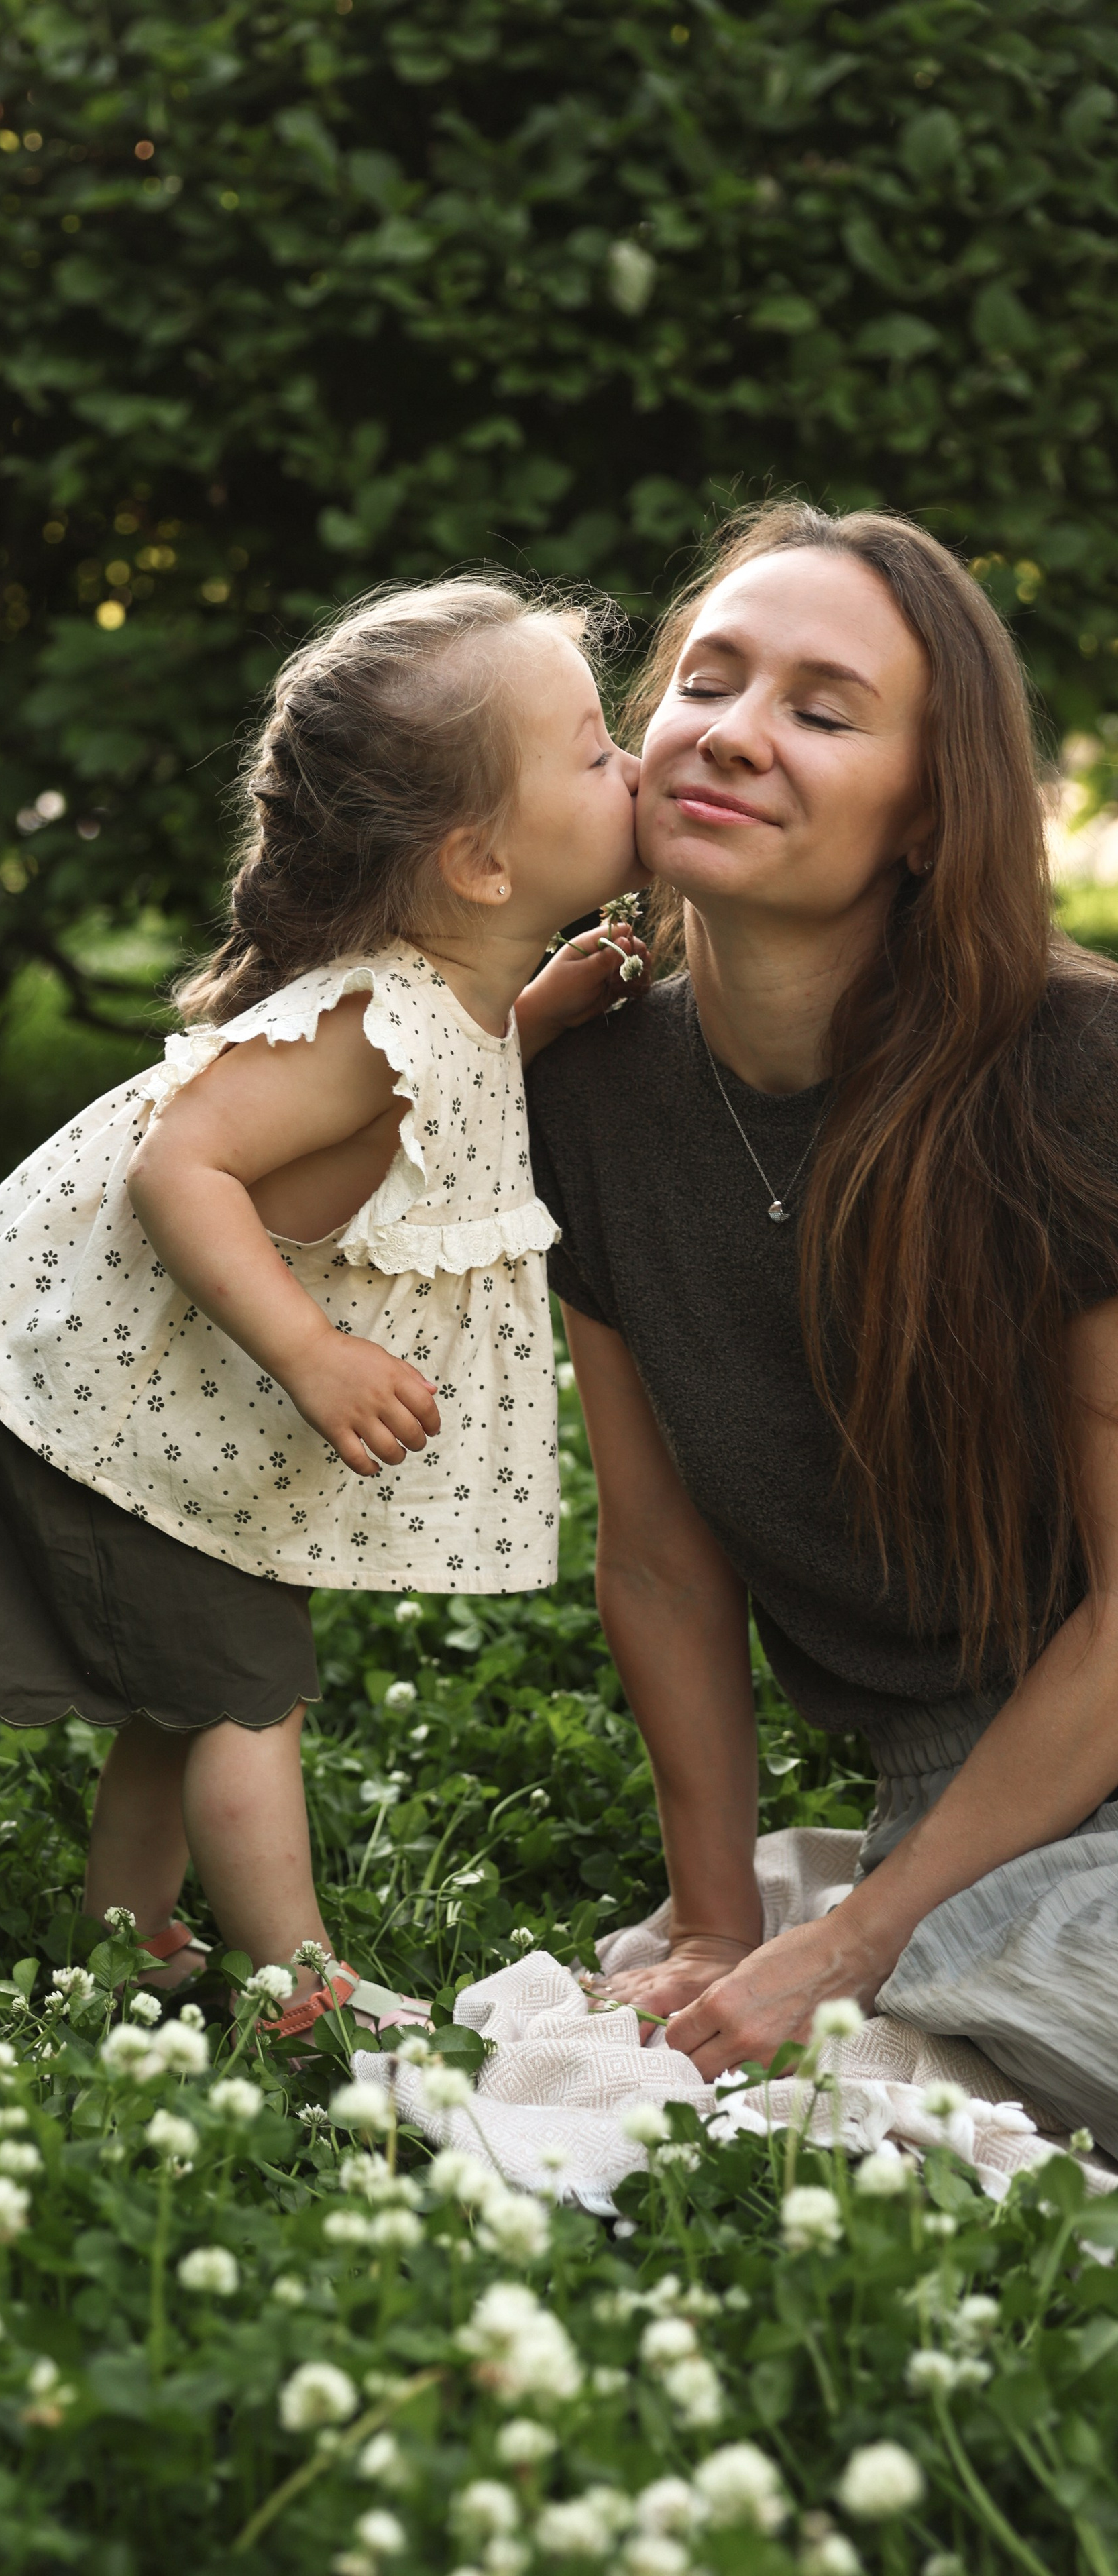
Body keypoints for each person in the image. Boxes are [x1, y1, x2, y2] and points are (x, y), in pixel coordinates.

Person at [0, 574, 644, 2038]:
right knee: (248, 1689)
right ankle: (297, 1985)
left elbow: (462, 1063)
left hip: (140, 1392)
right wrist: (310, 1352)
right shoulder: (369, 1021)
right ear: (480, 865)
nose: (634, 766)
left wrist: (546, 1010)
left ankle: (125, 1936)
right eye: (592, 751)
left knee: (195, 1674)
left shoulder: (451, 992)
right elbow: (181, 1165)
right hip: (80, 1382)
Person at [527, 502, 1118, 2149]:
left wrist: (841, 1943)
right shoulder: (589, 1095)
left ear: (927, 813)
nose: (729, 734)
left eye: (818, 708)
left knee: (956, 1994)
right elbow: (656, 1555)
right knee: (980, 1990)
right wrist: (721, 1925)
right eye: (705, 682)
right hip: (970, 1775)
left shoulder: (1077, 1079)